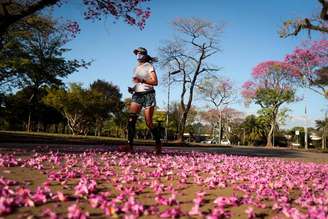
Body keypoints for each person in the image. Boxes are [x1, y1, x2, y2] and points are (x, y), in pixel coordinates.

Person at [126, 47, 161, 154]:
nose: (138, 55)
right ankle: (130, 146)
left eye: (140, 53)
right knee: (131, 120)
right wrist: (133, 89)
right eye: (137, 53)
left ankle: (158, 143)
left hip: (148, 95)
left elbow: (155, 82)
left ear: (145, 55)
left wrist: (141, 80)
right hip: (137, 95)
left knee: (149, 122)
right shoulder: (136, 68)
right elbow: (138, 83)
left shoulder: (149, 66)